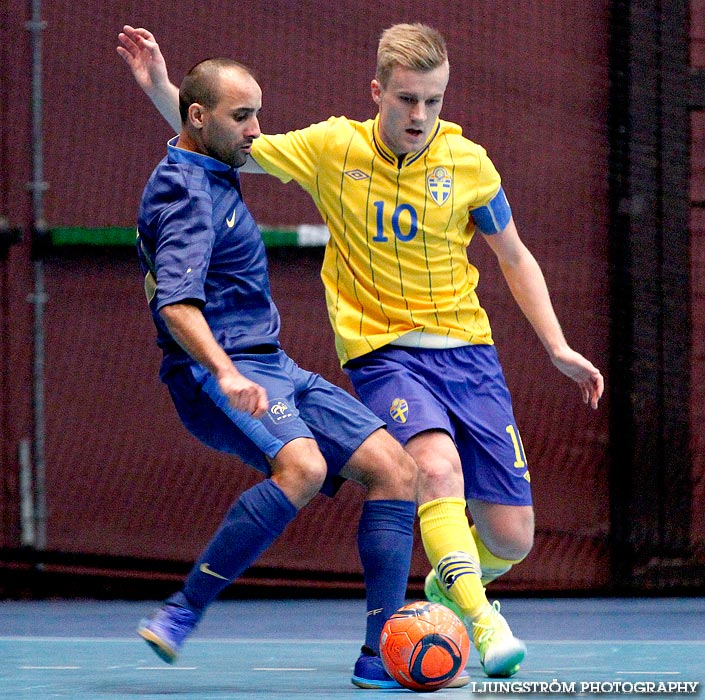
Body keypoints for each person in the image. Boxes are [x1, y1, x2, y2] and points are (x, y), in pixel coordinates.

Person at [118, 22, 604, 680]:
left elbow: (513, 256)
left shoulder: (468, 165)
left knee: (483, 522)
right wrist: (158, 87)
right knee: (406, 467)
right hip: (371, 355)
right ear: (378, 92)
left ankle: (409, 627)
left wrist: (556, 346)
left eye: (433, 101)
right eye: (406, 99)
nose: (419, 115)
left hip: (450, 353)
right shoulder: (320, 151)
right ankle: (480, 619)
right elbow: (227, 146)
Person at [127, 55, 470, 691]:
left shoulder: (213, 162)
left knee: (397, 470)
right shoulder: (186, 196)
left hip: (272, 365)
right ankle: (180, 612)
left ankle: (380, 657)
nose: (257, 128)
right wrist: (225, 372)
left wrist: (156, 87)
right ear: (200, 119)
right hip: (217, 376)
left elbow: (202, 118)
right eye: (243, 116)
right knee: (304, 468)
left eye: (258, 111)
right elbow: (175, 304)